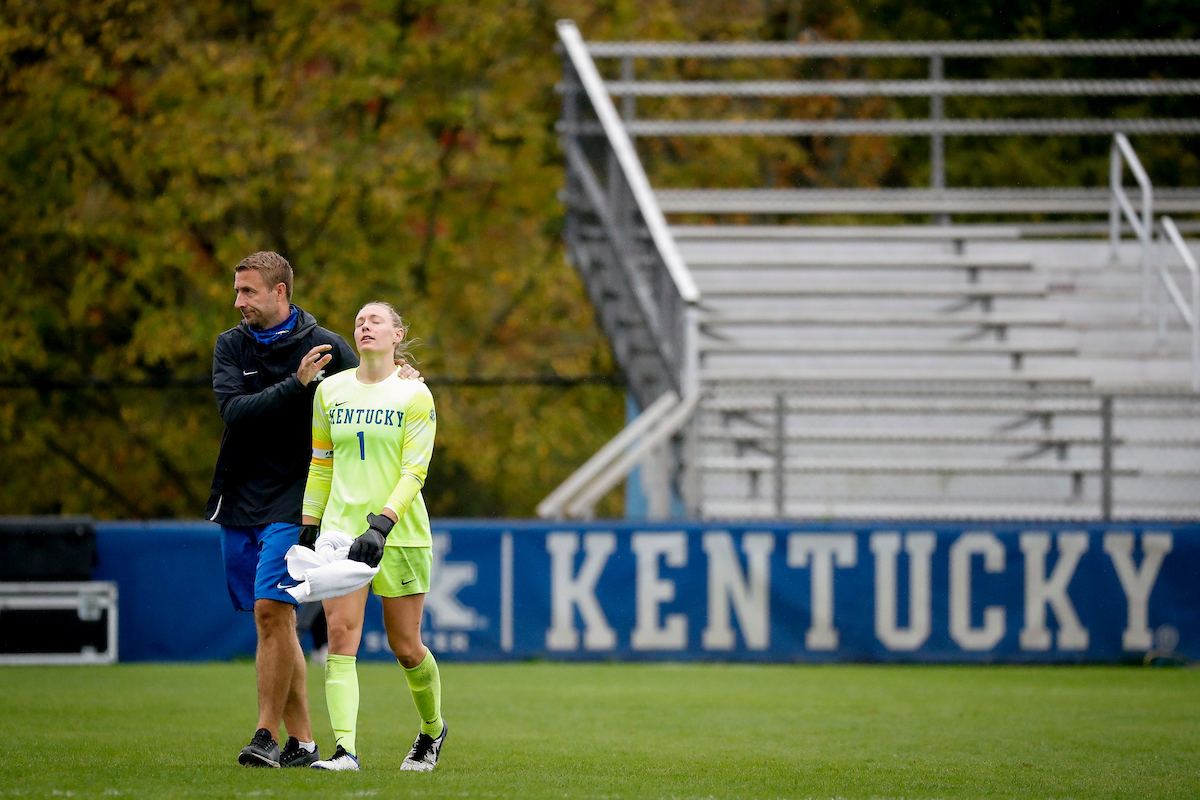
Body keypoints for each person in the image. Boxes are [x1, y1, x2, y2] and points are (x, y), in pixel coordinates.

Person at [207, 252, 419, 768]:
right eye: (237, 292)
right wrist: (295, 385)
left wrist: (402, 374)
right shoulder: (230, 346)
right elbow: (235, 413)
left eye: (248, 292)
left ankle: (264, 733)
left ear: (280, 292)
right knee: (273, 621)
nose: (239, 302)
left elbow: (372, 383)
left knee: (271, 610)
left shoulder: (325, 344)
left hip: (296, 497)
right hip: (239, 498)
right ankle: (302, 741)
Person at [300, 301, 446, 772]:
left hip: (398, 535)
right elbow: (322, 464)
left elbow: (414, 471)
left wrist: (381, 524)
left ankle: (432, 730)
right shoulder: (330, 392)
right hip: (342, 535)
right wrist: (309, 526)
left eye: (375, 320)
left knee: (405, 648)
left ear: (397, 334)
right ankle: (345, 752)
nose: (364, 326)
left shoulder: (415, 395)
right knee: (341, 636)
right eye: (358, 321)